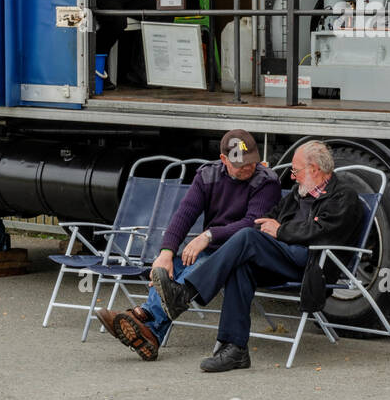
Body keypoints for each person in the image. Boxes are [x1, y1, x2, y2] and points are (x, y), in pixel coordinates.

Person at [150, 140, 362, 372]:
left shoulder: (344, 196)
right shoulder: (299, 193)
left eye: (295, 170)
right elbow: (269, 218)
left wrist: (280, 230)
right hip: (286, 257)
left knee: (247, 237)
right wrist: (271, 227)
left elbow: (323, 233)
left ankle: (185, 293)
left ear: (314, 169)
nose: (292, 176)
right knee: (241, 265)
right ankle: (235, 350)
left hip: (312, 265)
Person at [96, 130, 280, 361]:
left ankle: (144, 315)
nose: (247, 168)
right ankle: (150, 333)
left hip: (242, 252)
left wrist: (208, 236)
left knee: (198, 264)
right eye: (240, 164)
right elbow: (184, 214)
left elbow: (251, 224)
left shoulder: (267, 181)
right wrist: (165, 253)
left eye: (251, 162)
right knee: (168, 269)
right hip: (211, 247)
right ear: (223, 160)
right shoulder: (208, 175)